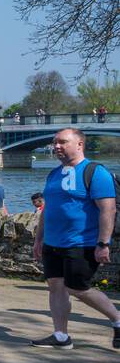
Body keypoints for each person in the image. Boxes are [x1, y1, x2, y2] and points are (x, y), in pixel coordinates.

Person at [31, 127, 120, 350]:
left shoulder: (95, 172)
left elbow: (108, 210)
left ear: (79, 144)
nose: (56, 146)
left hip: (82, 242)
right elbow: (48, 209)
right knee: (56, 286)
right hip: (53, 243)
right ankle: (61, 336)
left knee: (78, 287)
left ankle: (117, 319)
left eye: (63, 142)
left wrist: (103, 243)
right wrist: (39, 239)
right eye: (55, 142)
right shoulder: (54, 174)